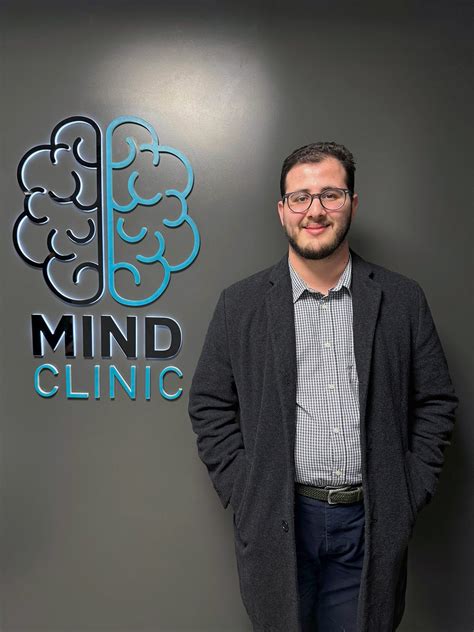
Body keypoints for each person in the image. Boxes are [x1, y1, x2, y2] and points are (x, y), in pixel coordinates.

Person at [188, 142, 458, 631]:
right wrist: (248, 491)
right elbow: (209, 404)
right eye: (301, 197)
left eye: (330, 195)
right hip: (280, 517)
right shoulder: (240, 304)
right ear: (282, 210)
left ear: (352, 203)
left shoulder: (401, 299)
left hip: (369, 520)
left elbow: (436, 400)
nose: (315, 210)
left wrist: (407, 488)